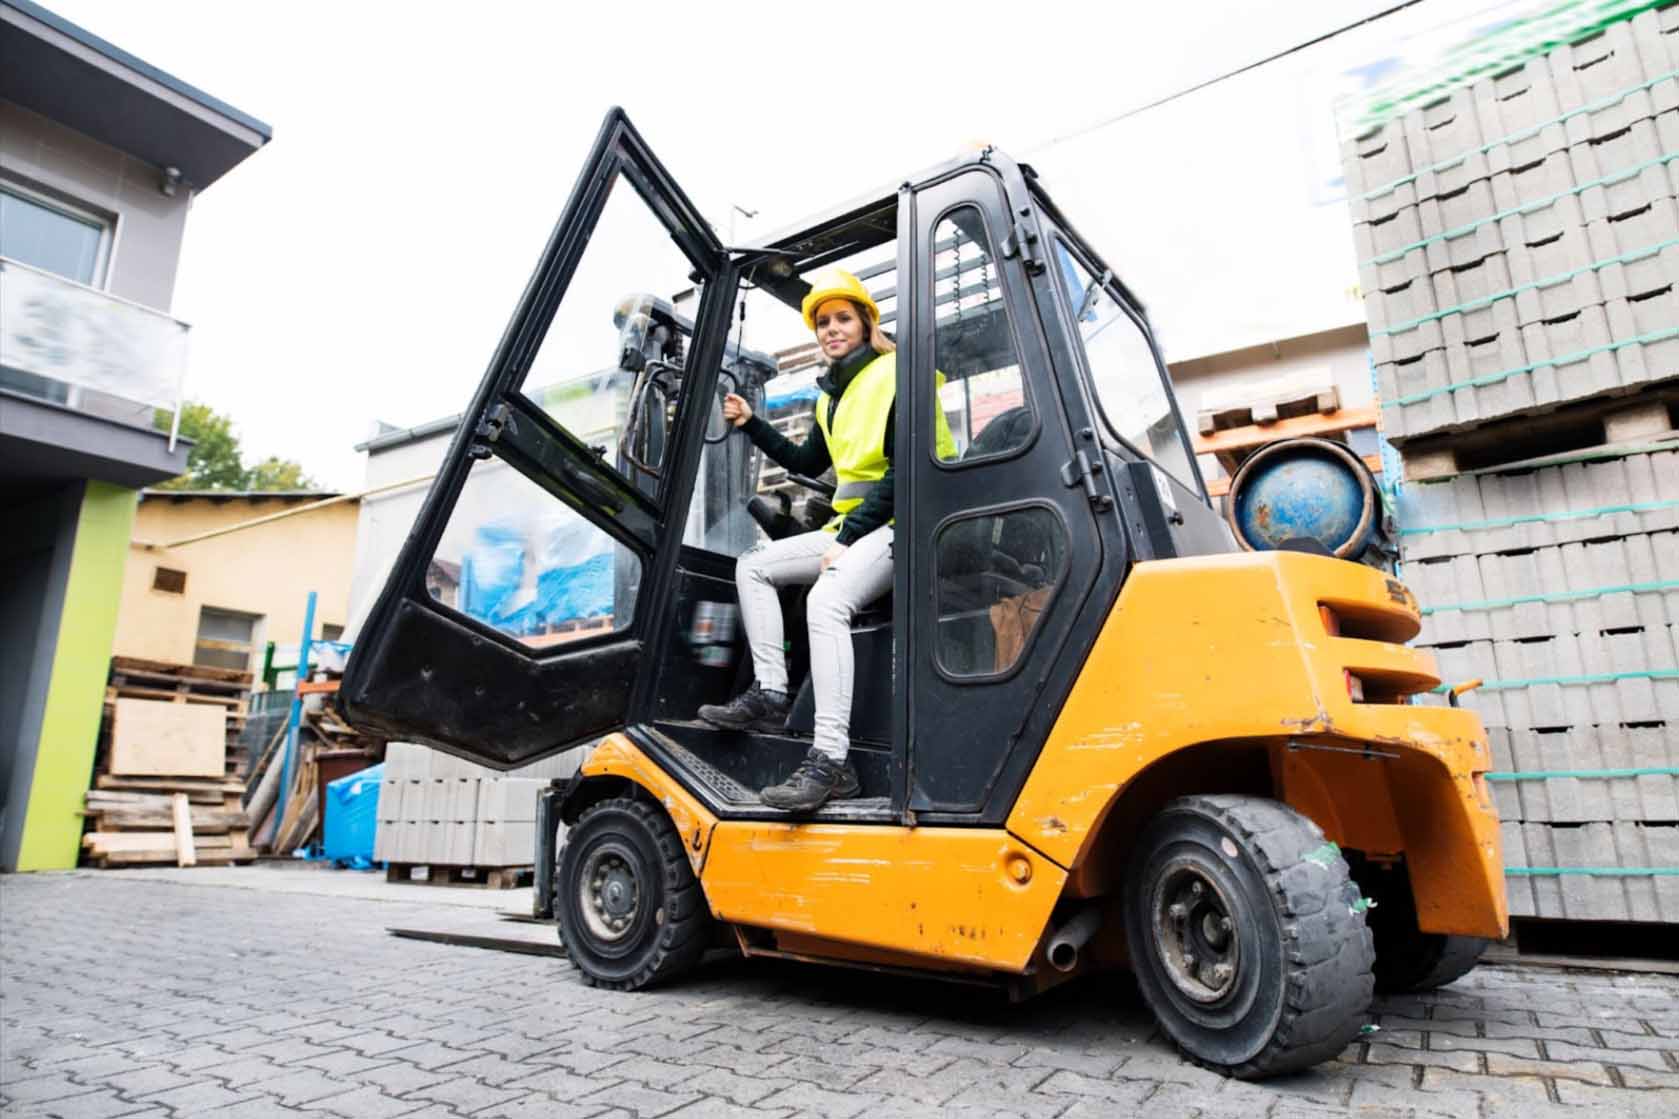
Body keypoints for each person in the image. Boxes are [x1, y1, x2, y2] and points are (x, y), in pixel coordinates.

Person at [698, 267, 954, 812]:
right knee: (754, 566)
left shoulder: (895, 374)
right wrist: (750, 424)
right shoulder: (830, 396)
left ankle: (830, 763)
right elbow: (807, 461)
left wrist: (850, 535)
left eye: (842, 319)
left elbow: (906, 471)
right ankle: (770, 692)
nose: (831, 330)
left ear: (865, 323)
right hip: (856, 527)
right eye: (822, 323)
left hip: (910, 522)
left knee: (826, 600)